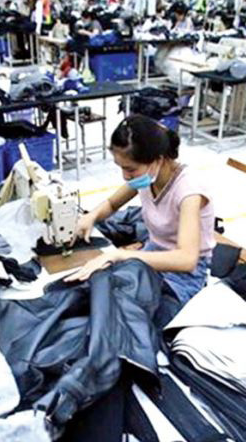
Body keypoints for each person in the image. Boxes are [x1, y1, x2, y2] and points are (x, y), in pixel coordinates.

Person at [67, 115, 216, 315]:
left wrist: (119, 255)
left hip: (184, 277)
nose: (125, 176)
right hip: (152, 254)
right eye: (121, 168)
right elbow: (112, 204)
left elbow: (186, 259)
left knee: (128, 316)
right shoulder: (147, 177)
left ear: (158, 160)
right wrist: (90, 216)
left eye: (130, 169)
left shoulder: (188, 192)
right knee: (96, 297)